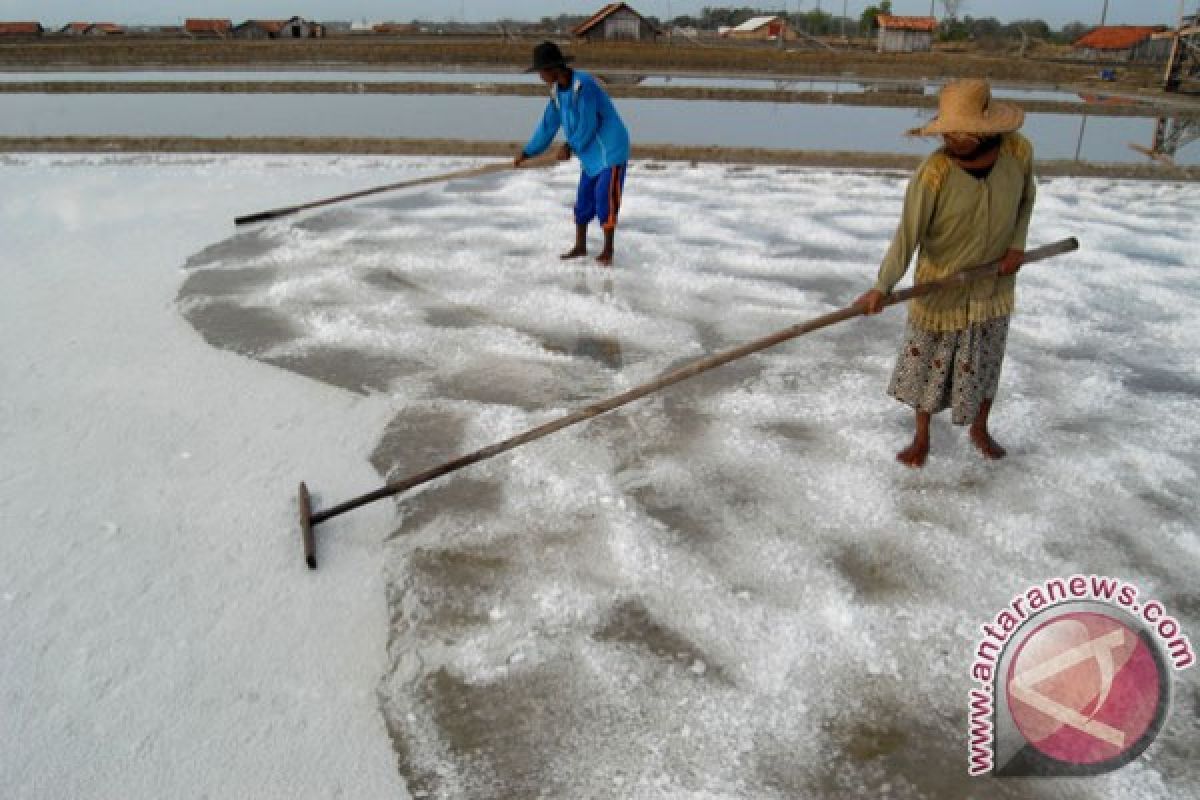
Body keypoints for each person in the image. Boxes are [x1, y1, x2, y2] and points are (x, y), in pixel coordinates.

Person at [855, 79, 1036, 468]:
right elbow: (908, 234)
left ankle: (980, 428)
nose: (954, 138)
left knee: (986, 361)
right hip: (941, 287)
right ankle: (921, 438)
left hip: (994, 283)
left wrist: (1016, 246)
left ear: (988, 130)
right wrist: (881, 286)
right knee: (928, 370)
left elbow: (1025, 201)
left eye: (963, 132)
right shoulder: (934, 173)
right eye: (949, 131)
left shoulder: (1018, 153)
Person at [514, 41, 631, 267]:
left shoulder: (583, 85)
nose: (540, 76)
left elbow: (588, 122)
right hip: (589, 153)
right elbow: (548, 124)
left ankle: (608, 250)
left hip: (610, 149)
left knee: (604, 198)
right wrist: (528, 151)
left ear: (554, 68)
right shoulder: (558, 92)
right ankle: (580, 246)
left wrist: (570, 146)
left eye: (541, 71)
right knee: (584, 199)